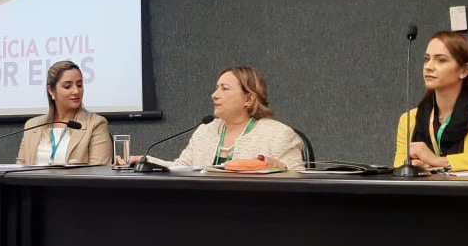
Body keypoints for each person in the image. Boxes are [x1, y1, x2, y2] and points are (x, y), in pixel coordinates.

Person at [136, 66, 304, 170]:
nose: (214, 95)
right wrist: (144, 160)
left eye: (225, 88)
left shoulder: (278, 134)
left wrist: (281, 169)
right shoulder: (206, 130)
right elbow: (181, 168)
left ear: (249, 98)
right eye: (216, 88)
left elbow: (299, 178)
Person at [394, 31, 468, 171]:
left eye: (441, 60)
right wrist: (415, 167)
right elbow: (398, 169)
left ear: (464, 70)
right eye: (427, 59)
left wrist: (439, 161)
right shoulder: (409, 120)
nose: (428, 66)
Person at [16, 60, 112, 165]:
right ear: (51, 91)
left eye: (79, 85)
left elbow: (98, 171)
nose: (76, 91)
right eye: (67, 86)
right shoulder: (32, 126)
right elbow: (18, 168)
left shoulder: (96, 124)